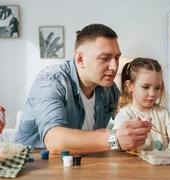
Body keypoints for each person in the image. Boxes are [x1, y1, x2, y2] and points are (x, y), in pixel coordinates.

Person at [15, 24, 151, 154]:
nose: (114, 67)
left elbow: (130, 115)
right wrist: (113, 138)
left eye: (116, 57)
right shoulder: (51, 81)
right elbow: (54, 140)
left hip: (82, 164)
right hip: (34, 166)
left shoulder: (108, 88)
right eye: (105, 58)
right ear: (80, 59)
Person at [112, 57, 170, 153]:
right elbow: (117, 142)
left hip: (160, 165)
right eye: (146, 87)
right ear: (130, 86)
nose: (152, 93)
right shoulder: (125, 114)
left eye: (157, 88)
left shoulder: (163, 113)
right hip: (134, 166)